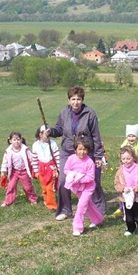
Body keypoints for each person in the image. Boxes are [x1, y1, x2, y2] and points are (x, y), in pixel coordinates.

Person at [48, 86, 106, 221]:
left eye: (78, 99)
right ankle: (65, 209)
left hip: (86, 152)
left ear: (82, 100)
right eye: (73, 99)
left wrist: (98, 156)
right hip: (68, 152)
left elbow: (96, 136)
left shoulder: (90, 114)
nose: (76, 102)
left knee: (93, 180)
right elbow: (59, 129)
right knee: (63, 181)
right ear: (68, 100)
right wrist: (51, 131)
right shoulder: (64, 113)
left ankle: (98, 209)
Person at [63, 138, 104, 236]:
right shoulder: (71, 158)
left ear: (88, 150)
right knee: (88, 204)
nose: (82, 152)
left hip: (88, 188)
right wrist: (72, 175)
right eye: (80, 149)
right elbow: (66, 169)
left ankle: (77, 227)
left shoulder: (89, 162)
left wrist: (79, 178)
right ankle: (98, 219)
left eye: (84, 149)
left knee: (81, 206)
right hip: (77, 188)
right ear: (75, 150)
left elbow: (90, 177)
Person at [114, 146, 138, 236]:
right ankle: (130, 228)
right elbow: (116, 183)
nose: (126, 161)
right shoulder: (120, 171)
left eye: (128, 158)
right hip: (126, 198)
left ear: (133, 158)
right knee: (128, 217)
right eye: (123, 159)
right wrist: (123, 188)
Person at [0, 131, 38, 207]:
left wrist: (35, 169)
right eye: (14, 139)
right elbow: (5, 162)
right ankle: (8, 201)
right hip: (14, 172)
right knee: (11, 186)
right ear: (10, 141)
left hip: (24, 172)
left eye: (18, 139)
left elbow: (32, 159)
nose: (16, 141)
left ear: (21, 140)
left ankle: (33, 199)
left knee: (28, 187)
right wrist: (3, 171)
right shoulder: (8, 151)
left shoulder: (25, 150)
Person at [114, 124, 138, 216]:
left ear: (137, 136)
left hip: (135, 169)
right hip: (125, 169)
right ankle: (122, 205)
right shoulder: (124, 145)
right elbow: (121, 158)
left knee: (135, 187)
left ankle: (137, 204)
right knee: (123, 186)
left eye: (133, 136)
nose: (131, 138)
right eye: (129, 136)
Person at [31, 125, 60, 212]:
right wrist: (36, 171)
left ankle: (52, 206)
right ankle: (47, 201)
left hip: (51, 168)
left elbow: (57, 157)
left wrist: (58, 169)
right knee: (44, 187)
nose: (47, 135)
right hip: (41, 169)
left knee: (50, 187)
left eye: (49, 133)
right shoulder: (35, 145)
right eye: (45, 133)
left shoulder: (53, 144)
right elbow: (34, 159)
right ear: (40, 134)